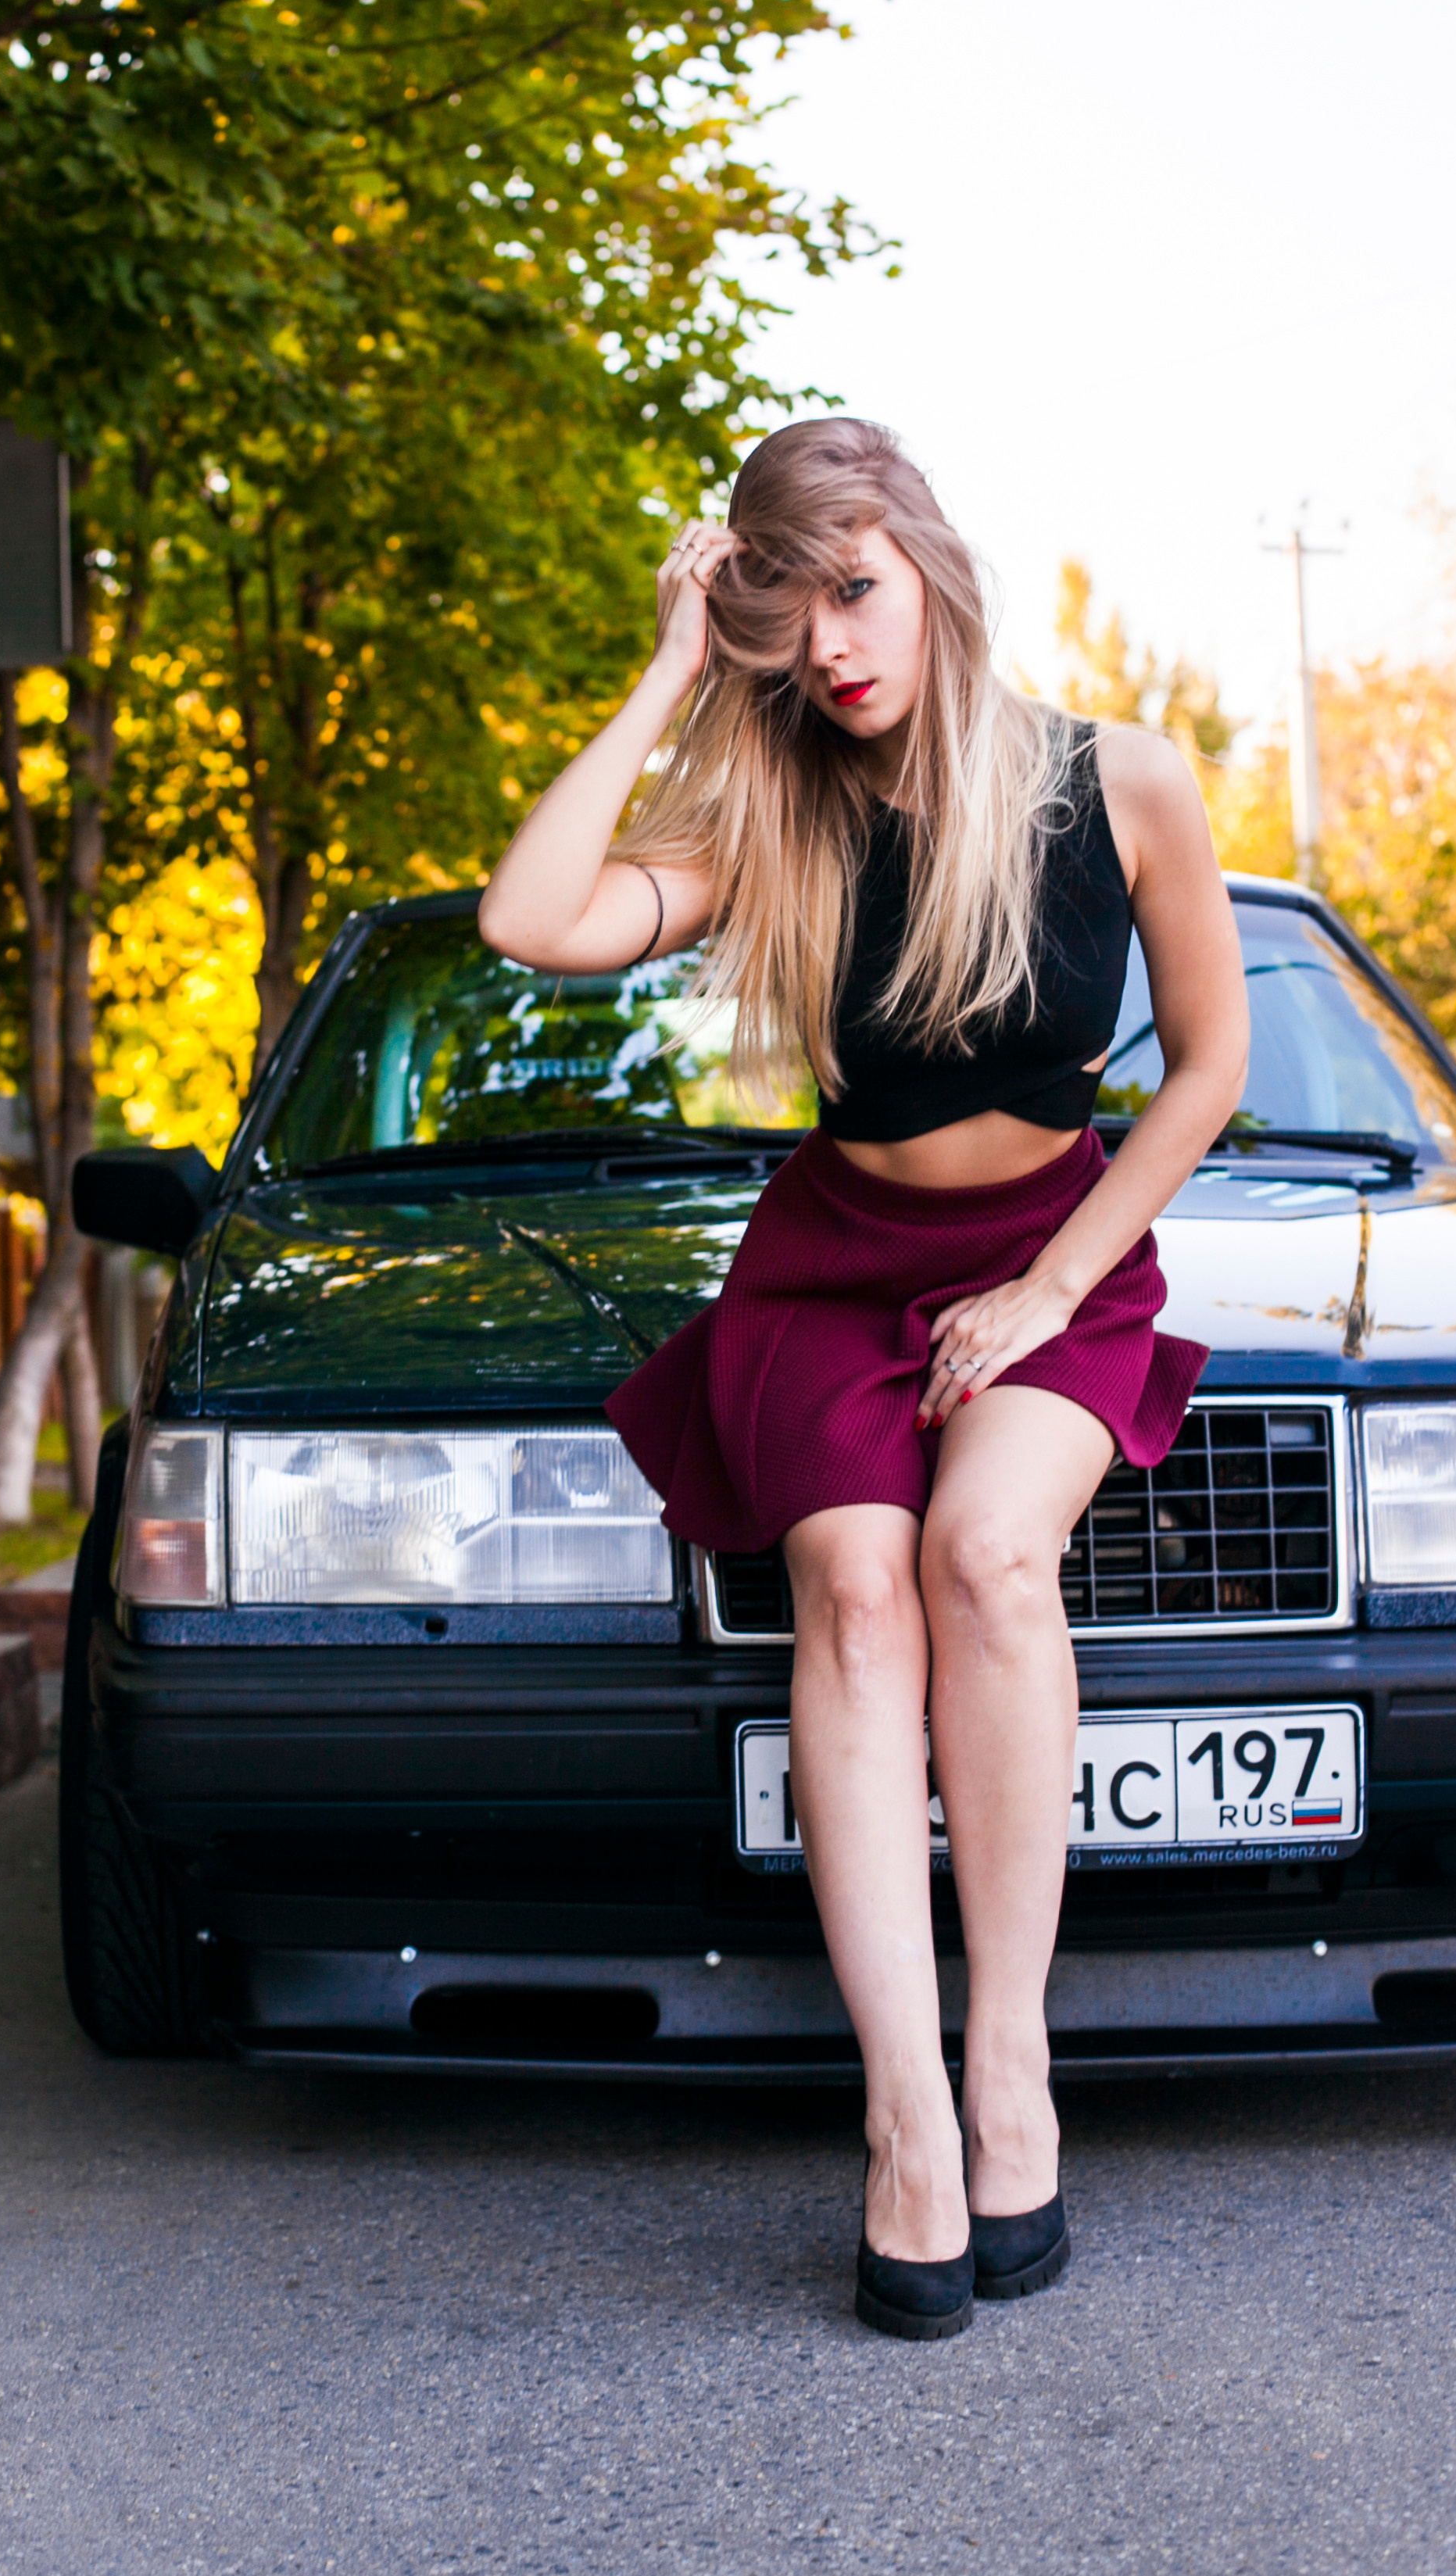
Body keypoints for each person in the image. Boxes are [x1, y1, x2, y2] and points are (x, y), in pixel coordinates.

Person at [478, 417, 1248, 2342]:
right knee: (849, 1578)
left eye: (853, 587)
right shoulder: (771, 815)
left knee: (986, 1556)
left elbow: (1207, 1074)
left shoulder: (1119, 783)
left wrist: (1051, 1285)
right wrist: (669, 666)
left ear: (926, 558)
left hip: (1054, 1265)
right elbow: (528, 918)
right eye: (785, 605)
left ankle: (1008, 2072)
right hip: (834, 1269)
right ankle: (902, 2121)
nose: (829, 641)